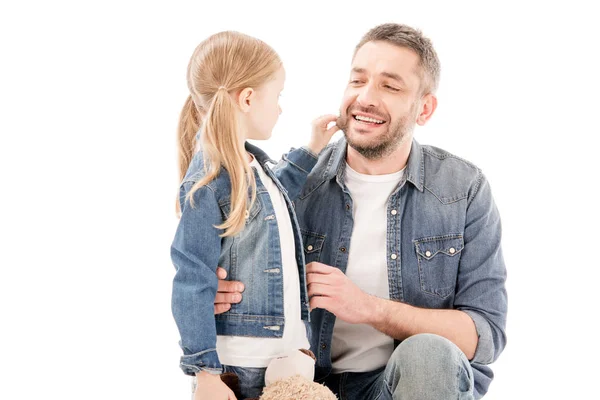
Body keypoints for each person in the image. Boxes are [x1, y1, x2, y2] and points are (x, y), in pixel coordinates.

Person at [214, 23, 508, 399]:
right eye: (357, 81)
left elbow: (484, 336)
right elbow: (226, 259)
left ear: (425, 108)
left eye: (390, 86)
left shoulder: (463, 189)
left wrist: (367, 307)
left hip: (405, 386)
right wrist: (222, 293)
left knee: (429, 354)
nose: (365, 98)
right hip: (305, 386)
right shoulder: (292, 184)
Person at [170, 31, 339, 400]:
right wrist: (206, 373)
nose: (280, 107)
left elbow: (273, 201)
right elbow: (192, 278)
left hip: (283, 355)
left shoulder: (251, 164)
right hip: (245, 363)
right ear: (248, 98)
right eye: (277, 96)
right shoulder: (210, 179)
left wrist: (311, 148)